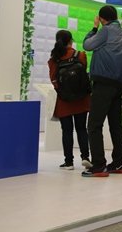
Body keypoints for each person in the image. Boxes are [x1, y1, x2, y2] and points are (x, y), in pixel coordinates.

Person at [82, 5, 122, 177]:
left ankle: (99, 165)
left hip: (103, 84)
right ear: (116, 17)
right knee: (116, 125)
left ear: (102, 19)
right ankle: (118, 163)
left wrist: (94, 28)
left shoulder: (105, 31)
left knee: (94, 125)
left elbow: (87, 45)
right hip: (119, 86)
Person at [48, 30, 91, 170]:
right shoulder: (81, 55)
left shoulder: (53, 60)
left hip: (64, 100)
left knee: (66, 131)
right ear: (71, 41)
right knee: (82, 129)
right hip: (81, 98)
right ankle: (85, 157)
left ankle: (69, 162)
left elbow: (53, 80)